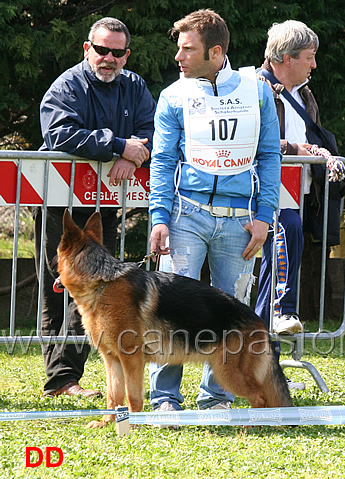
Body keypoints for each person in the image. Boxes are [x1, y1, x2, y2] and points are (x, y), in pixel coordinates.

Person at [147, 9, 281, 414]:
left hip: (241, 221)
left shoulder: (258, 92)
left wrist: (264, 216)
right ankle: (165, 398)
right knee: (169, 309)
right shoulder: (173, 95)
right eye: (179, 48)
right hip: (186, 214)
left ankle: (216, 396)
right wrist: (158, 217)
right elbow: (163, 160)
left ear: (215, 51)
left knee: (231, 312)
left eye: (188, 49)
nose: (179, 56)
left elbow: (269, 155)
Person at [36, 17, 156, 398]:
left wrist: (136, 153)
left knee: (101, 288)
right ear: (87, 48)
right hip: (60, 204)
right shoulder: (68, 84)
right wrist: (119, 146)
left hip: (102, 204)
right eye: (101, 50)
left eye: (117, 52)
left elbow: (154, 130)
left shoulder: (134, 85)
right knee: (60, 287)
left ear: (126, 55)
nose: (109, 58)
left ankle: (77, 374)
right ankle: (62, 379)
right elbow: (58, 131)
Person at [254, 20, 345, 336]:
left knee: (273, 268)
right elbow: (251, 139)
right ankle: (283, 310)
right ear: (286, 58)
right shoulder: (254, 89)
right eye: (310, 56)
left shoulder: (306, 96)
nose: (315, 64)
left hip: (300, 193)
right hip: (262, 191)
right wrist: (294, 148)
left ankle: (265, 361)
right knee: (288, 229)